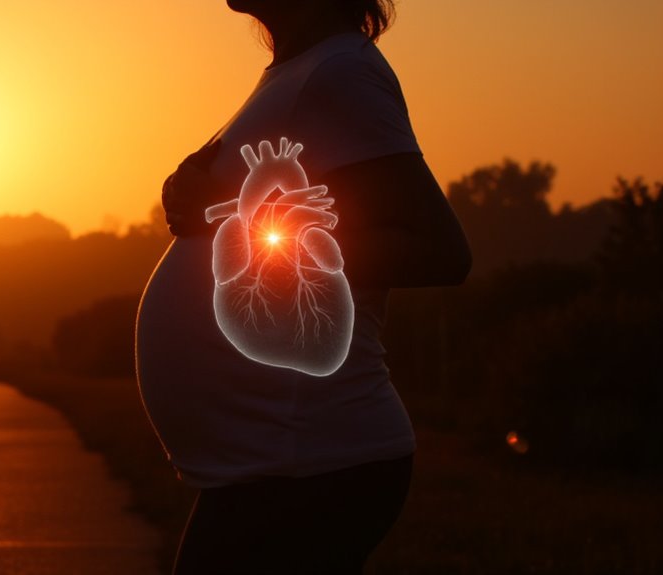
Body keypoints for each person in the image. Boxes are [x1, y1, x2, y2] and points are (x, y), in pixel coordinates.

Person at [135, 1, 472, 573]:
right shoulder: (303, 72)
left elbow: (436, 248)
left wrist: (224, 221)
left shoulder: (341, 72)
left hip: (311, 460)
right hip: (281, 461)